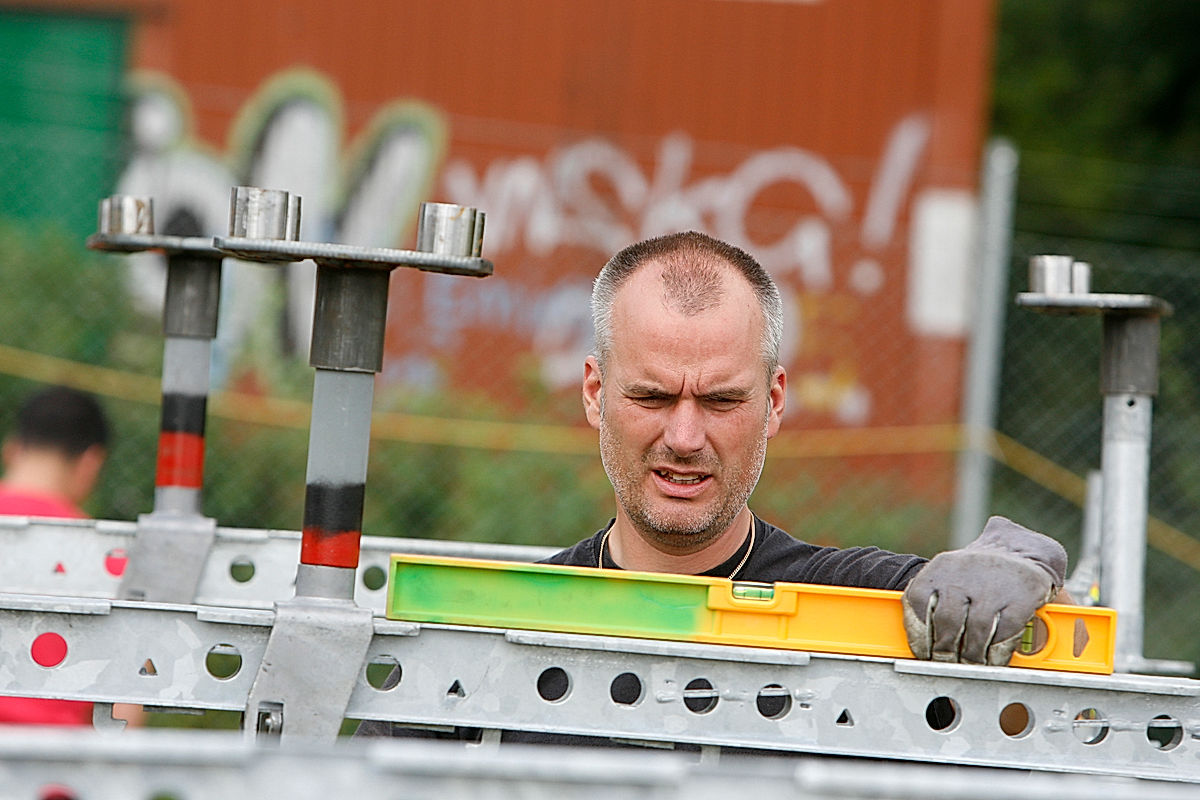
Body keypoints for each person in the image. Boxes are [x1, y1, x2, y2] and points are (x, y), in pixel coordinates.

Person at [358, 231, 1066, 740]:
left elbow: (1036, 701)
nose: (686, 438)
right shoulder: (496, 644)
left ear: (776, 401)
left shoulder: (865, 611)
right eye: (653, 397)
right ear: (595, 393)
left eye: (723, 401)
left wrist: (1026, 568)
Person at [0, 385, 142, 727]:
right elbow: (126, 709)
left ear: (12, 449)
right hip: (50, 769)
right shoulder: (108, 558)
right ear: (91, 462)